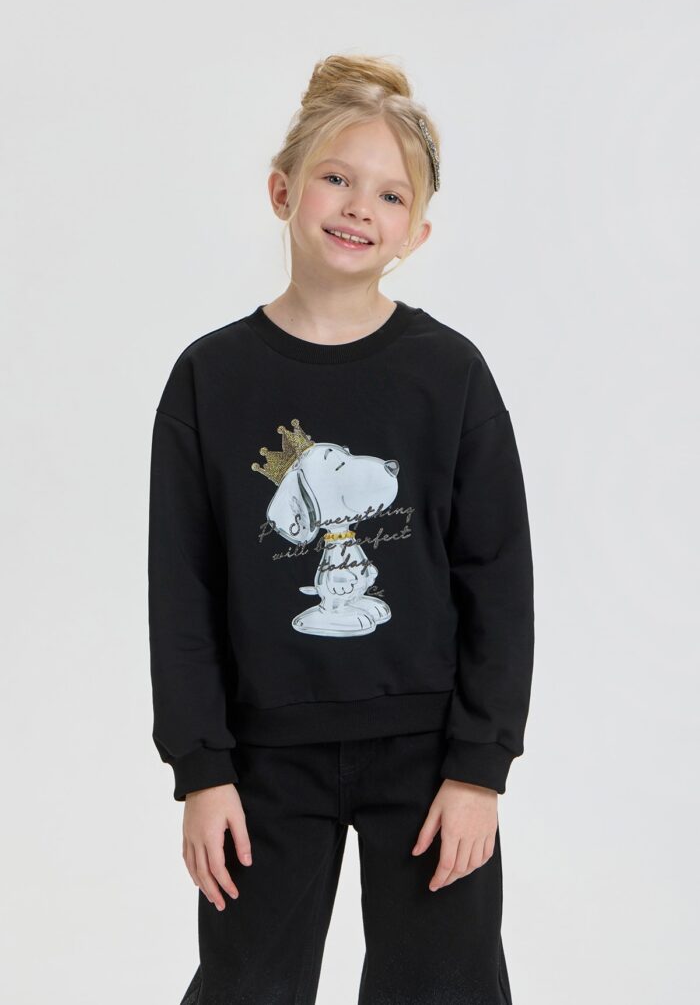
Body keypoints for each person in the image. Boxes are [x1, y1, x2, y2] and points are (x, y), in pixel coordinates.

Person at [148, 52, 535, 1005]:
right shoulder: (209, 379)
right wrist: (201, 770)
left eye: (390, 195)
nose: (360, 207)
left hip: (430, 754)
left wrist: (479, 770)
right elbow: (181, 591)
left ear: (418, 230)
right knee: (246, 988)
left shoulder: (450, 375)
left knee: (446, 989)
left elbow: (498, 579)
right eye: (336, 178)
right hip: (263, 759)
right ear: (283, 190)